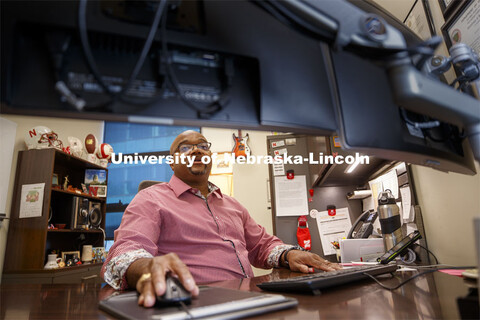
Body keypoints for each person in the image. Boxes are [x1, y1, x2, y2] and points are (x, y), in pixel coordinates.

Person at [102, 130, 341, 307]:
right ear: (172, 163)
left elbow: (262, 246)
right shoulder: (151, 199)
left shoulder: (233, 204)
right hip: (194, 305)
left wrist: (289, 254)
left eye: (203, 146)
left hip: (249, 301)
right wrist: (146, 268)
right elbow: (126, 250)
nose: (196, 150)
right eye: (185, 148)